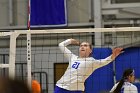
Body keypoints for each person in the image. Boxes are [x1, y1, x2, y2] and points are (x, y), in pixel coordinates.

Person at [54, 39, 123, 93]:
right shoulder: (72, 57)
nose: (82, 47)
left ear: (90, 50)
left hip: (76, 89)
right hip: (61, 87)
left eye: (85, 45)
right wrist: (70, 41)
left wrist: (114, 55)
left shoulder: (91, 61)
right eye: (81, 45)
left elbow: (104, 61)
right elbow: (61, 45)